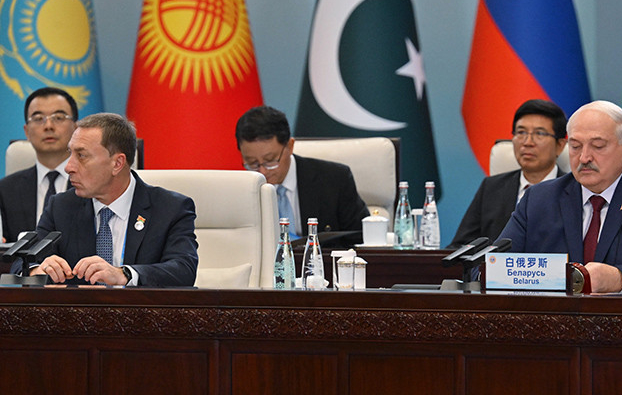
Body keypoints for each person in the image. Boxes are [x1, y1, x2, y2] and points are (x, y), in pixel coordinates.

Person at [498, 100, 622, 294]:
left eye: (598, 146)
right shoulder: (539, 199)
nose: (584, 158)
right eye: (575, 146)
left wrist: (619, 278)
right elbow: (496, 267)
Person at [29, 113, 198, 286]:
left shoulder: (171, 209)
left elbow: (184, 270)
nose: (68, 167)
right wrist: (36, 270)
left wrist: (124, 274)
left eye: (81, 155)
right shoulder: (61, 207)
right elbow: (24, 259)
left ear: (117, 163)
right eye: (70, 153)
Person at [235, 106, 369, 239]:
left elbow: (362, 237)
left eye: (270, 160)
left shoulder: (335, 180)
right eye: (252, 163)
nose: (262, 171)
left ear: (290, 146)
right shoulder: (238, 190)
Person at [449, 99, 567, 248]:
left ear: (560, 145)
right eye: (521, 132)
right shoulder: (492, 188)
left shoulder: (574, 190)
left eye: (539, 133)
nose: (528, 142)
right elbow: (461, 246)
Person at [0, 87, 78, 243]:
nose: (48, 126)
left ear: (76, 128)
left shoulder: (93, 186)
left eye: (59, 117)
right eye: (38, 118)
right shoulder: (5, 190)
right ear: (26, 131)